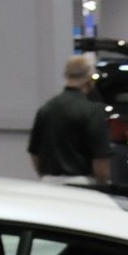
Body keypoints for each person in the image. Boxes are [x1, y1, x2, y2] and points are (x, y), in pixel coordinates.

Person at [28, 55, 112, 186]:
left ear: (66, 76)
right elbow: (100, 160)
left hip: (48, 184)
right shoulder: (92, 111)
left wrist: (45, 176)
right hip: (82, 184)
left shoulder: (46, 109)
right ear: (90, 79)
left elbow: (34, 153)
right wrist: (102, 182)